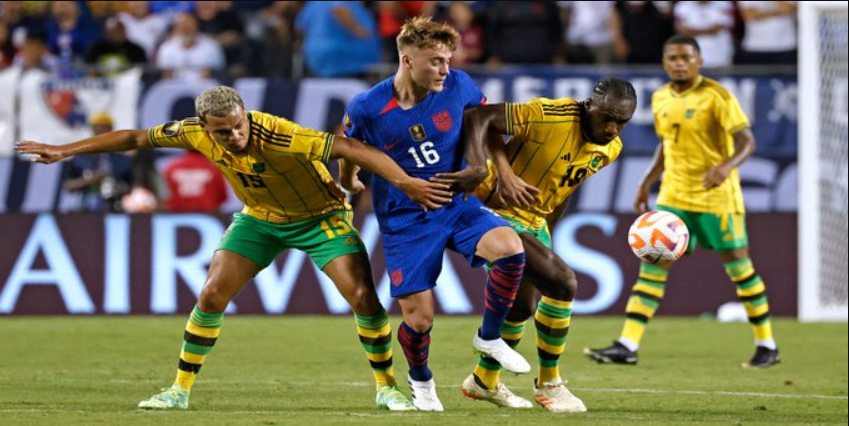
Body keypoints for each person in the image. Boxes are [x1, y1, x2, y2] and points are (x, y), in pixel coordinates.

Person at [16, 85, 456, 411]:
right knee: (211, 294)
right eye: (223, 133)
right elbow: (133, 139)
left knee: (363, 297)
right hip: (259, 219)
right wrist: (64, 150)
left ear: (246, 114)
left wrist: (405, 182)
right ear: (205, 128)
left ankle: (387, 387)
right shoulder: (191, 132)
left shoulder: (281, 135)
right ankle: (178, 391)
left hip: (320, 219)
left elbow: (348, 146)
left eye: (239, 126)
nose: (236, 137)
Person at [340, 17, 529, 411]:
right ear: (407, 61)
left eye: (448, 60)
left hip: (457, 204)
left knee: (510, 248)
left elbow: (486, 124)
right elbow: (347, 145)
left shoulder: (460, 85)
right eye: (436, 62)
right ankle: (421, 379)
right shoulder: (368, 106)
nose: (446, 69)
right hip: (405, 219)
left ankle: (489, 337)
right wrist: (349, 181)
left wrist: (504, 170)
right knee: (420, 319)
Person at [584, 35, 780, 369]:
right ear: (664, 62)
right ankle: (627, 344)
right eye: (672, 57)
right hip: (674, 195)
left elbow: (747, 142)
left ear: (698, 61)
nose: (679, 63)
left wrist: (726, 167)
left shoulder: (716, 96)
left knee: (739, 268)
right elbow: (666, 145)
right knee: (652, 267)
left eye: (685, 57)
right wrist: (646, 183)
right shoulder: (660, 97)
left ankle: (767, 344)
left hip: (716, 197)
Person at [456, 77, 637, 412]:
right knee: (563, 282)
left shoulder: (610, 149)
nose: (613, 128)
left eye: (622, 122)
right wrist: (499, 171)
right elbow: (477, 118)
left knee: (522, 307)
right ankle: (550, 384)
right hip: (494, 211)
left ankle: (483, 380)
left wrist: (547, 240)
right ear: (589, 105)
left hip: (534, 221)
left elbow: (563, 189)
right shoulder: (548, 115)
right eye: (607, 118)